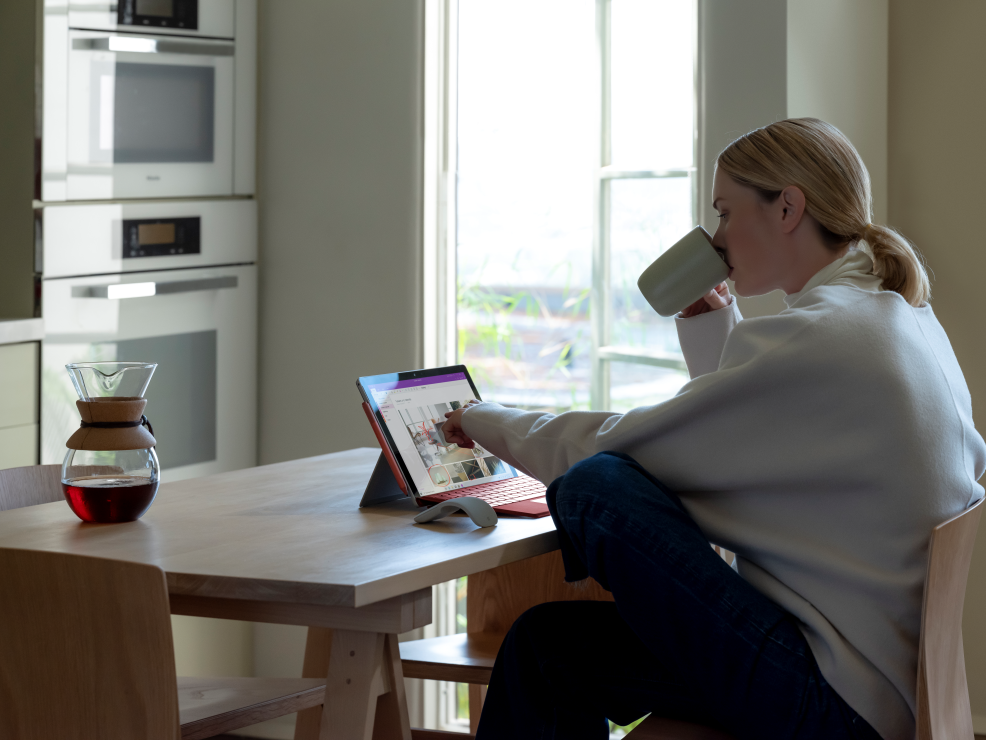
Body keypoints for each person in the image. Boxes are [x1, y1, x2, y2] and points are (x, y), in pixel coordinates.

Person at [439, 118, 986, 740]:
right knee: (547, 645)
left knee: (595, 486)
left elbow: (621, 447)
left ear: (787, 207)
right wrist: (714, 330)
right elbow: (743, 451)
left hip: (836, 701)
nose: (718, 238)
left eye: (725, 213)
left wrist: (480, 419)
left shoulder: (822, 337)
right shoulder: (897, 317)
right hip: (879, 685)